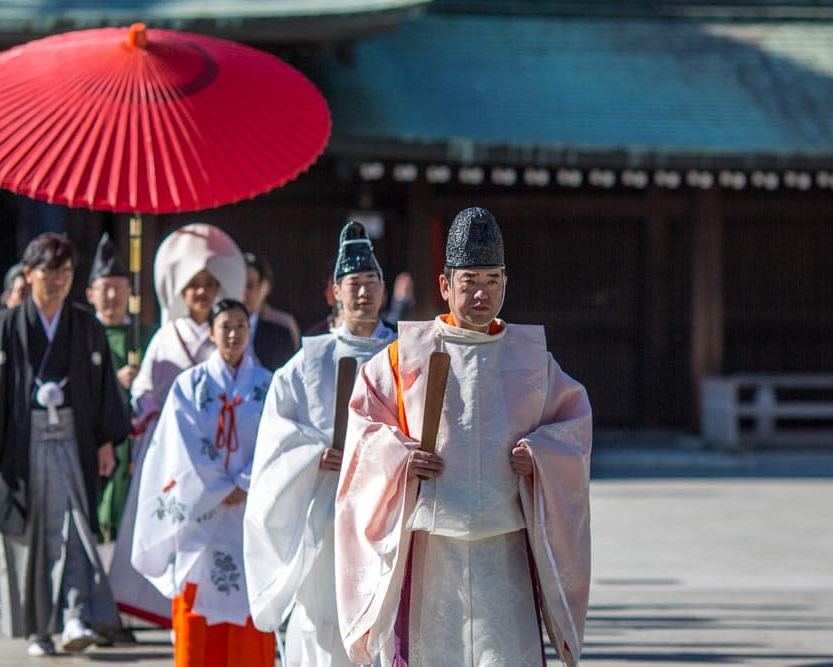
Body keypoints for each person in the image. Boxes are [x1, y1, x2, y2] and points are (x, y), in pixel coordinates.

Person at [334, 207, 593, 666]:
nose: (481, 292)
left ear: (506, 284)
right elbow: (363, 429)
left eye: (492, 280)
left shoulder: (531, 358)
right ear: (444, 285)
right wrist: (400, 458)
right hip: (432, 546)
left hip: (505, 545)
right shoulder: (404, 356)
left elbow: (572, 425)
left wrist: (540, 454)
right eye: (469, 279)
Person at [0, 233, 131, 657]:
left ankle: (74, 613)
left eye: (65, 273)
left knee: (75, 527)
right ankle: (39, 629)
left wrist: (106, 440)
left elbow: (103, 387)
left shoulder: (85, 326)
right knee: (34, 534)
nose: (57, 281)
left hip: (74, 437)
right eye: (48, 273)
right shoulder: (6, 326)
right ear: (29, 274)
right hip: (22, 441)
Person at [244, 221, 396, 667]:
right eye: (354, 284)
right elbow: (277, 435)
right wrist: (314, 456)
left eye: (372, 283)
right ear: (335, 291)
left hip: (389, 511)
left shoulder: (404, 353)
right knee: (322, 618)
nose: (364, 294)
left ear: (384, 289)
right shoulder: (308, 361)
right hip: (328, 509)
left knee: (384, 619)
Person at [108, 223, 246, 628]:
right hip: (169, 447)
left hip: (218, 448)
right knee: (164, 523)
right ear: (181, 292)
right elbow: (145, 393)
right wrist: (147, 404)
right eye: (194, 285)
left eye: (209, 284)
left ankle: (209, 609)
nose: (202, 292)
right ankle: (150, 604)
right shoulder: (167, 336)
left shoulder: (228, 333)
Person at [132, 299, 275, 667]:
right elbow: (182, 445)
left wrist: (245, 482)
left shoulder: (267, 386)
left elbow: (277, 442)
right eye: (225, 326)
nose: (233, 333)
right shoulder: (190, 385)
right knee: (198, 624)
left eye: (241, 325)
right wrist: (224, 487)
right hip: (201, 518)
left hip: (249, 514)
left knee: (249, 617)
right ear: (211, 332)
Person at [85, 232, 155, 549]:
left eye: (119, 287)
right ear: (90, 294)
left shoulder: (145, 335)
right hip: (98, 438)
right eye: (105, 288)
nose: (112, 295)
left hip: (137, 441)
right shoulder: (82, 334)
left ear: (130, 291)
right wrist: (114, 381)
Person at [243, 251, 298, 371]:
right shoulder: (218, 329)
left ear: (263, 288)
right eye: (239, 284)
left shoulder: (280, 333)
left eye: (250, 286)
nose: (243, 292)